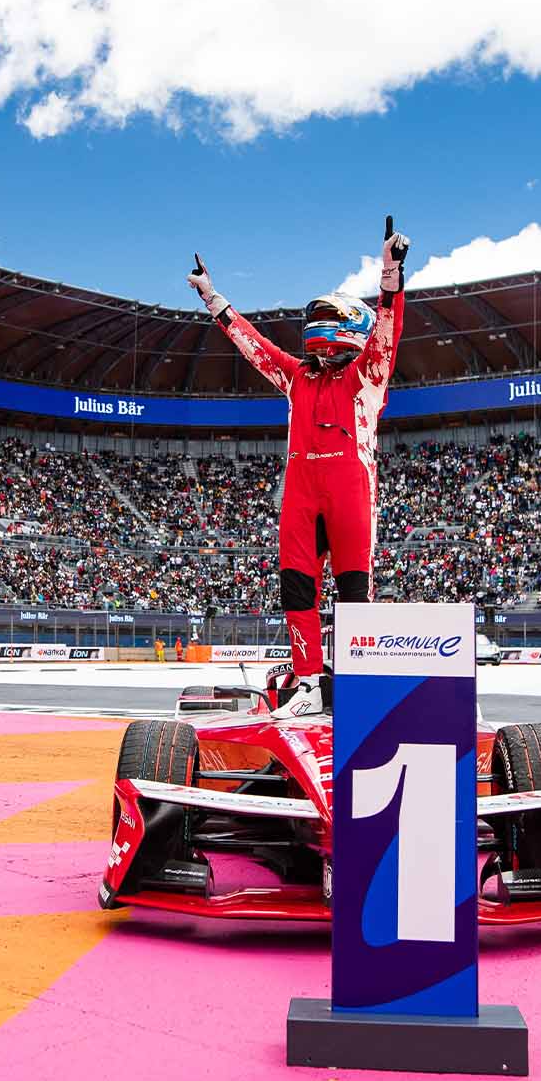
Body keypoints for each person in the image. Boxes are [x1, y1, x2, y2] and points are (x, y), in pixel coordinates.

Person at [187, 216, 411, 716]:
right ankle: (308, 684)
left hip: (350, 491)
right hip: (303, 495)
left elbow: (389, 333)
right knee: (296, 588)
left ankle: (357, 683)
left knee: (355, 591)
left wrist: (390, 276)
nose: (317, 328)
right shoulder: (296, 378)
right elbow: (253, 346)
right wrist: (213, 298)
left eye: (328, 317)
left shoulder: (368, 374)